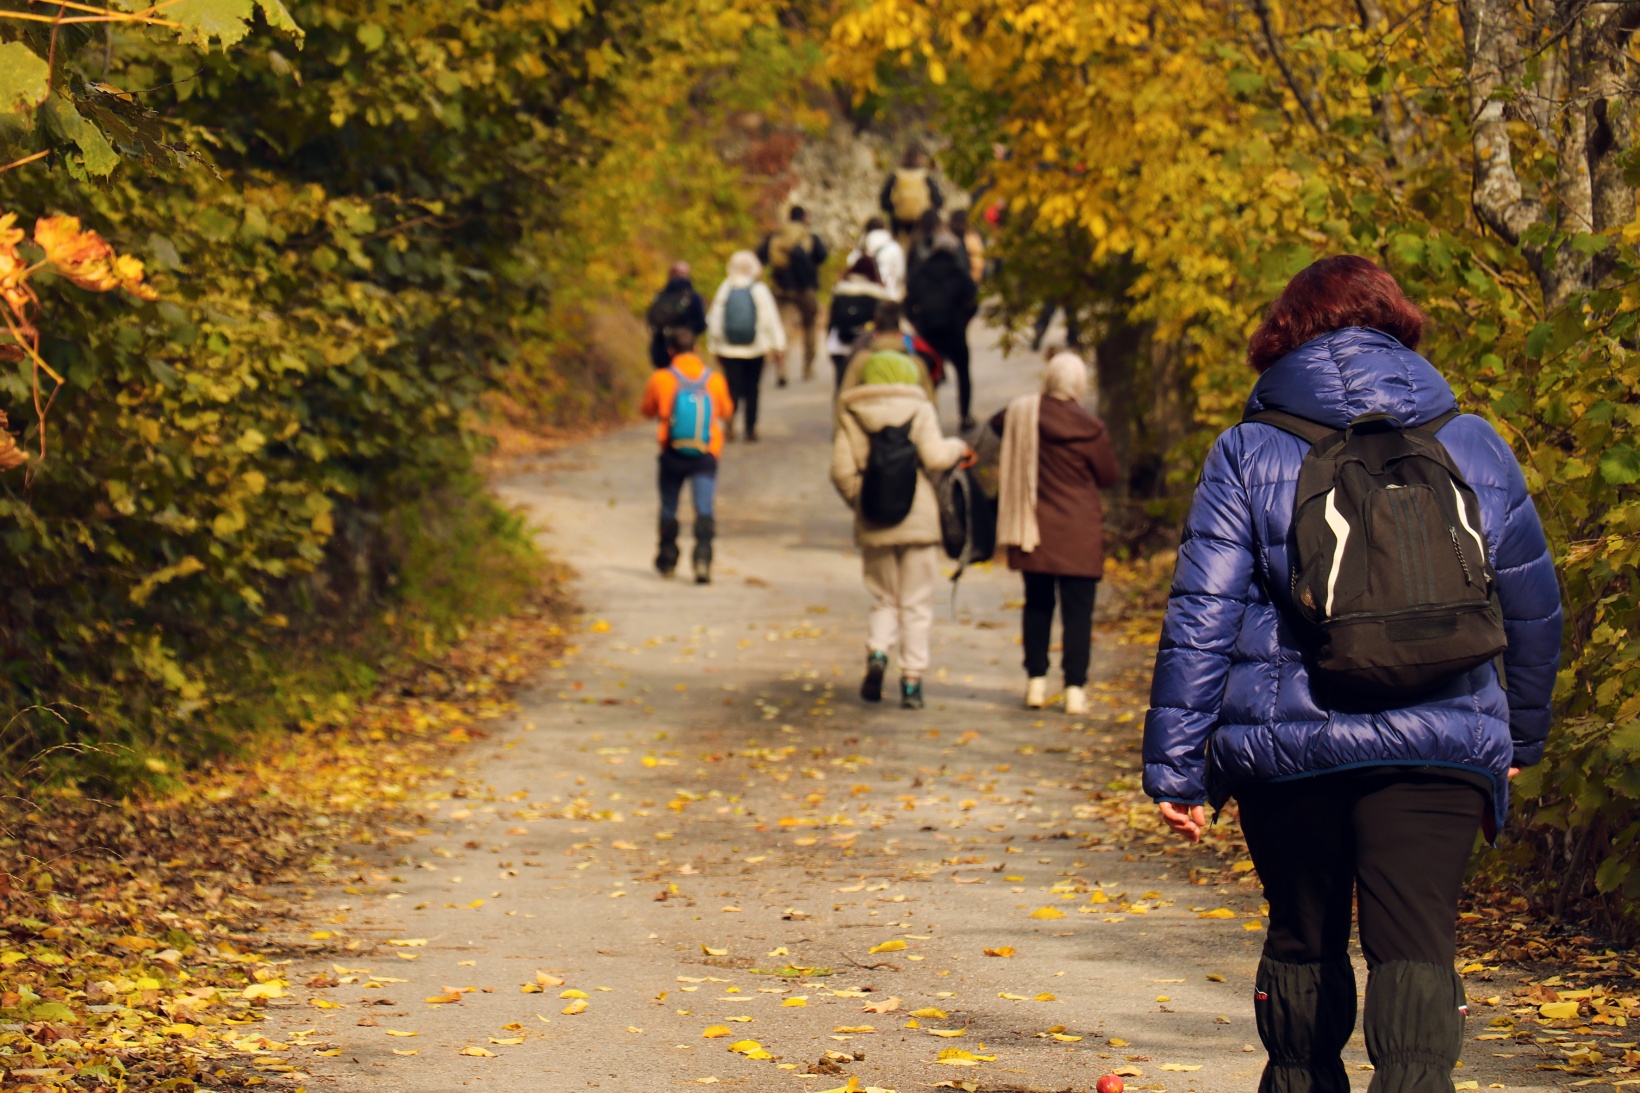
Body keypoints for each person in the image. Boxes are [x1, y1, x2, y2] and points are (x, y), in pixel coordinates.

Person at [1141, 256, 1562, 1092]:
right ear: (1397, 322)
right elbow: (1533, 603)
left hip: (1288, 746)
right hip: (1441, 737)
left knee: (1303, 941)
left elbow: (1203, 613)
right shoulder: (1472, 440)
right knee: (1417, 951)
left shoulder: (1249, 449)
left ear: (1285, 334)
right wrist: (1520, 733)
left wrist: (1176, 764)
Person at [831, 350, 972, 710]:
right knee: (916, 604)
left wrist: (864, 501)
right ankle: (911, 682)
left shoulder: (851, 414)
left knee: (884, 597)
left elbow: (841, 471)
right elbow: (937, 457)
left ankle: (878, 652)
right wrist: (958, 446)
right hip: (919, 518)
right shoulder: (919, 407)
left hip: (875, 520)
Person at [991, 352, 1119, 715]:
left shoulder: (1025, 415)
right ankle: (1074, 689)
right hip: (1079, 534)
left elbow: (998, 423)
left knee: (1038, 606)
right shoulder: (1090, 428)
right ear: (1078, 384)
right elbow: (1108, 476)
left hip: (1037, 532)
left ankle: (1035, 682)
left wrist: (1033, 402)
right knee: (1078, 614)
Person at [638, 327, 733, 585]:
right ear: (696, 349)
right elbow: (726, 411)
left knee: (669, 506)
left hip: (672, 453)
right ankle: (703, 559)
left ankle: (667, 559)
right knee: (704, 507)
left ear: (671, 351)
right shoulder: (714, 380)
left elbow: (646, 410)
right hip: (705, 453)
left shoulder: (661, 378)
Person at [706, 250, 786, 442]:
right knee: (752, 389)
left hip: (728, 349)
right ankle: (750, 429)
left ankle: (729, 424)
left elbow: (715, 320)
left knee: (732, 388)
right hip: (755, 349)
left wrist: (714, 346)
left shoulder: (725, 288)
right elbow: (769, 320)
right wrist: (778, 346)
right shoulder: (759, 289)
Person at [905, 227, 978, 429]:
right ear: (952, 252)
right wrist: (964, 320)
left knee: (929, 377)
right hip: (955, 331)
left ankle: (929, 419)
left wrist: (917, 324)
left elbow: (908, 304)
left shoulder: (920, 274)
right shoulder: (960, 275)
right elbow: (974, 302)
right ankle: (965, 416)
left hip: (928, 333)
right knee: (963, 373)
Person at [757, 207, 829, 384]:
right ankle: (808, 368)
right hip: (807, 289)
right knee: (810, 325)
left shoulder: (777, 236)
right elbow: (823, 255)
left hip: (782, 289)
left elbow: (760, 256)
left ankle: (782, 369)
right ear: (804, 218)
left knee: (782, 329)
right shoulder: (809, 236)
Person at [835, 300, 935, 399]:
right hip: (910, 411)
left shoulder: (861, 352)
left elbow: (844, 395)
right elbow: (930, 398)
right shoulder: (916, 354)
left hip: (868, 412)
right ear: (900, 321)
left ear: (875, 320)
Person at [826, 255, 894, 389]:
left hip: (840, 346)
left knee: (843, 385)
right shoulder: (878, 293)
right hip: (867, 346)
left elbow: (832, 321)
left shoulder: (840, 289)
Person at [644, 261, 708, 370]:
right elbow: (701, 325)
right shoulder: (693, 297)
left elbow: (650, 319)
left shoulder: (660, 295)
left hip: (660, 347)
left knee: (664, 381)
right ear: (687, 276)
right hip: (683, 350)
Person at [880, 148, 942, 245]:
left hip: (899, 223)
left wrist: (893, 210)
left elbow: (883, 199)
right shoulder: (925, 176)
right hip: (921, 223)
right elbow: (938, 201)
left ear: (903, 159)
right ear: (919, 160)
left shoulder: (896, 175)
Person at [848, 217, 907, 300]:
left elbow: (851, 267)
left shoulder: (860, 251)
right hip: (889, 297)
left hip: (865, 298)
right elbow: (900, 273)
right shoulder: (895, 248)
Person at [949, 207, 986, 286]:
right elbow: (978, 263)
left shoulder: (949, 236)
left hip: (955, 283)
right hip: (966, 283)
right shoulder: (972, 237)